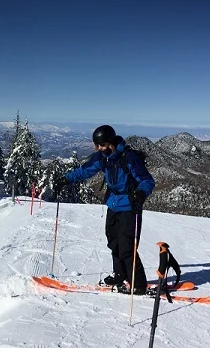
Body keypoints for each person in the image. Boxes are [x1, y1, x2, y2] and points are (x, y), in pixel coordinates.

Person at [63, 125, 155, 295]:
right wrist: (65, 180)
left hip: (130, 206)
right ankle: (119, 275)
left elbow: (147, 181)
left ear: (111, 142)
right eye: (97, 145)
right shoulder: (103, 158)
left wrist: (141, 193)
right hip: (113, 204)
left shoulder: (128, 157)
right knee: (114, 242)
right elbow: (85, 171)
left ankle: (138, 284)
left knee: (127, 247)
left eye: (102, 144)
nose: (99, 148)